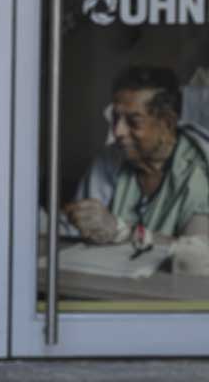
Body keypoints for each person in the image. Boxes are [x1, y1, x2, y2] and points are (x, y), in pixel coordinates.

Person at [65, 65, 209, 247]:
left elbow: (197, 251)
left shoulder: (197, 170)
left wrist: (121, 231)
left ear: (167, 123)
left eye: (133, 122)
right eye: (116, 118)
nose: (118, 131)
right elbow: (75, 232)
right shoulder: (109, 159)